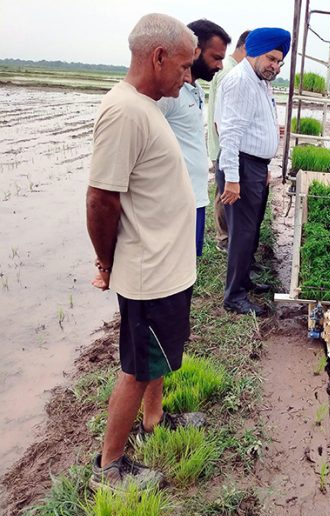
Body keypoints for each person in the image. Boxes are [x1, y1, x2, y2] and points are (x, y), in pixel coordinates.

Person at [86, 13, 198, 491]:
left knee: (156, 359)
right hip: (147, 270)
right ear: (158, 57)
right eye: (185, 66)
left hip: (165, 267)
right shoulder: (125, 111)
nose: (188, 76)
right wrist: (107, 262)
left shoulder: (148, 105)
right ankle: (109, 466)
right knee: (136, 368)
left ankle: (154, 420)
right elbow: (100, 198)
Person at [216, 27, 291, 316]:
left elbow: (258, 126)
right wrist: (233, 179)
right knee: (242, 233)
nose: (275, 66)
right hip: (241, 167)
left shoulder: (260, 81)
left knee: (251, 230)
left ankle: (244, 280)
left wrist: (265, 167)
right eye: (271, 58)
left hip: (254, 167)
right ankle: (233, 296)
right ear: (253, 51)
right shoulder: (240, 82)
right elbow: (230, 134)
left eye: (279, 62)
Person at [158, 19, 231, 257]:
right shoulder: (168, 94)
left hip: (196, 199)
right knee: (172, 273)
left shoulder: (196, 89)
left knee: (188, 269)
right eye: (216, 57)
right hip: (174, 203)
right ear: (195, 51)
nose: (220, 66)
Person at [208, 30, 250, 253]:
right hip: (223, 147)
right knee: (224, 193)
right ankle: (224, 239)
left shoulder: (232, 70)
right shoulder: (230, 73)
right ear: (244, 48)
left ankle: (226, 237)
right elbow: (221, 122)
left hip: (223, 146)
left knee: (223, 191)